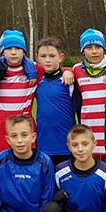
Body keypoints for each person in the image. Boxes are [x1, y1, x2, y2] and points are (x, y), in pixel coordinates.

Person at [72, 28, 106, 167]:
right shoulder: (76, 70)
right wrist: (67, 72)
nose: (94, 51)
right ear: (83, 51)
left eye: (98, 47)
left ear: (104, 49)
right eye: (89, 48)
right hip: (88, 131)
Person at [0, 30, 39, 154]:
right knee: (2, 159)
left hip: (25, 122)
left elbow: (54, 69)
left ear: (24, 51)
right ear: (2, 51)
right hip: (1, 123)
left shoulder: (35, 69)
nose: (13, 52)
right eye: (8, 48)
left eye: (18, 48)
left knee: (28, 158)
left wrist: (67, 71)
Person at [34, 36, 78, 166]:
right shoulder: (36, 80)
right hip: (43, 146)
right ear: (37, 58)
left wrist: (68, 70)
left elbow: (80, 110)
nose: (47, 60)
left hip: (66, 146)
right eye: (43, 56)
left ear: (61, 57)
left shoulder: (68, 80)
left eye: (52, 56)